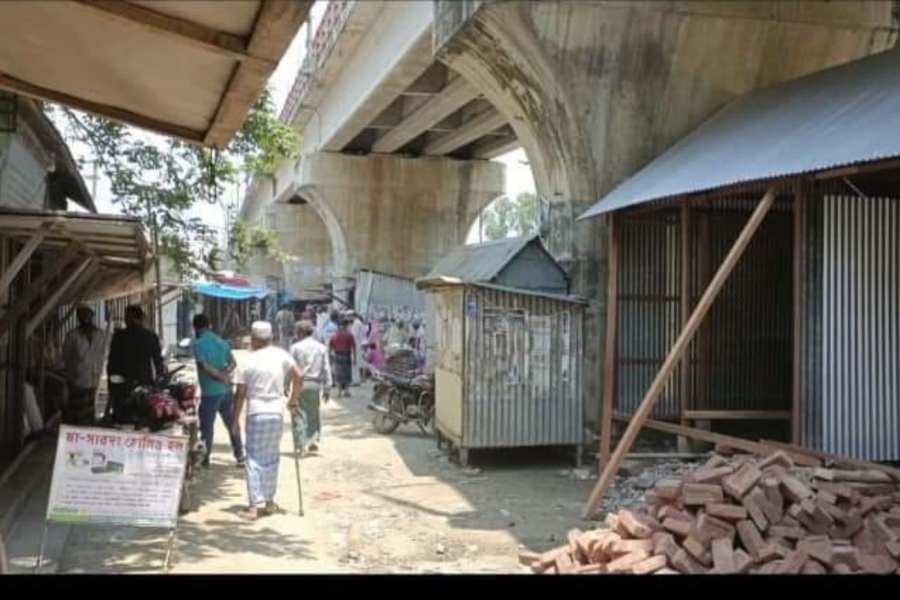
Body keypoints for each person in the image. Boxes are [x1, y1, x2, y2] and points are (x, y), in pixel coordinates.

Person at [231, 321, 304, 521]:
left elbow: (240, 394)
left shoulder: (247, 360)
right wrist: (293, 400)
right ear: (270, 338)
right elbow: (299, 375)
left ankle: (255, 506)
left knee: (253, 458)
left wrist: (235, 419)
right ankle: (269, 502)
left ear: (253, 340)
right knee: (272, 457)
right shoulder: (281, 355)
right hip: (276, 414)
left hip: (256, 413)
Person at [192, 314, 245, 468]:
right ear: (209, 325)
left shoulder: (198, 344)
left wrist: (220, 376)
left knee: (207, 427)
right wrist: (226, 374)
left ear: (195, 327)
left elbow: (205, 366)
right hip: (226, 391)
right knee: (232, 423)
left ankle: (205, 459)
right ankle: (240, 455)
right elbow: (233, 363)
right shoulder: (221, 342)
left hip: (210, 392)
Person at [107, 305, 165, 423]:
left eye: (126, 317)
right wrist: (158, 385)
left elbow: (111, 362)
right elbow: (158, 363)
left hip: (122, 386)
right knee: (144, 418)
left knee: (121, 419)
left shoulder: (118, 336)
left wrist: (111, 386)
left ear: (129, 318)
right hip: (145, 384)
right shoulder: (151, 336)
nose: (125, 320)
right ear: (141, 318)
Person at [289, 320, 332, 455]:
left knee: (298, 413)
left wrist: (286, 384)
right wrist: (328, 387)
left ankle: (301, 444)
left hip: (299, 384)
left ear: (300, 332)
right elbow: (326, 368)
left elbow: (291, 368)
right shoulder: (321, 347)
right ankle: (312, 441)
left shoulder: (295, 347)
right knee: (313, 413)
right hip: (314, 384)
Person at [61, 305, 106, 425]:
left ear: (92, 315)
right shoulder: (72, 336)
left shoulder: (101, 335)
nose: (84, 317)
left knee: (90, 410)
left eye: (87, 314)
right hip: (77, 380)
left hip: (94, 378)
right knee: (76, 413)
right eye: (81, 314)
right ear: (78, 317)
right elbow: (65, 356)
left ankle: (86, 432)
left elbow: (104, 353)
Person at [328, 318, 355, 398]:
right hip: (347, 355)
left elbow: (330, 347)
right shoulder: (349, 334)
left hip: (337, 355)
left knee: (338, 374)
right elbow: (354, 347)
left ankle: (339, 392)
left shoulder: (334, 335)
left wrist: (329, 356)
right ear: (346, 325)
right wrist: (355, 358)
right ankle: (346, 391)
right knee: (347, 373)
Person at [349, 312, 367, 385]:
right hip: (358, 344)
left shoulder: (356, 323)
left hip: (356, 344)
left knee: (354, 363)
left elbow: (353, 335)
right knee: (356, 363)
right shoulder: (359, 323)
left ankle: (355, 380)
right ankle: (357, 380)